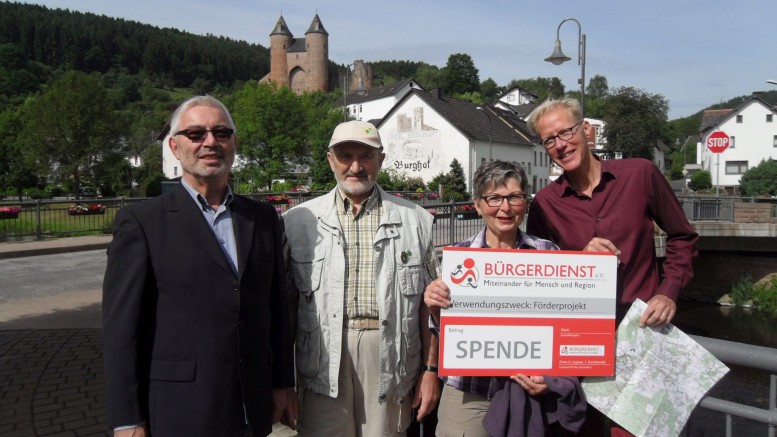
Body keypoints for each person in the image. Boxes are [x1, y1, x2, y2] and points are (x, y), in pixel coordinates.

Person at [102, 95, 294, 437]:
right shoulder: (142, 223)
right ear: (175, 147)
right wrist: (127, 418)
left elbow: (275, 311)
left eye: (221, 133)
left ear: (234, 143)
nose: (210, 142)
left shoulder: (262, 218)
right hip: (181, 409)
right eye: (196, 134)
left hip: (251, 406)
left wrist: (281, 383)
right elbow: (122, 331)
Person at [524, 98, 699, 436]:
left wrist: (669, 291)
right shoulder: (545, 204)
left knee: (637, 430)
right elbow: (540, 278)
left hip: (642, 328)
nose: (560, 144)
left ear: (586, 131)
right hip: (580, 335)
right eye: (549, 140)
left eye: (566, 132)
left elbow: (682, 237)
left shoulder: (641, 174)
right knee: (581, 426)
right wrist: (578, 261)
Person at [281, 120, 441, 436]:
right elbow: (285, 307)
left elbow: (430, 308)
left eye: (366, 156)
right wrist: (283, 382)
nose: (356, 166)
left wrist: (430, 371)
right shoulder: (298, 222)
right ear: (330, 160)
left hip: (390, 357)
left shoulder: (416, 220)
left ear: (381, 159)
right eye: (346, 156)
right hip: (322, 358)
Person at [423, 160, 587, 437]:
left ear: (526, 202)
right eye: (494, 198)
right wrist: (435, 309)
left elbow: (566, 328)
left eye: (514, 197)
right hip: (468, 390)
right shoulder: (457, 258)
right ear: (477, 204)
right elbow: (446, 332)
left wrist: (551, 378)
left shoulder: (549, 254)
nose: (505, 207)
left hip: (528, 391)